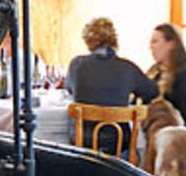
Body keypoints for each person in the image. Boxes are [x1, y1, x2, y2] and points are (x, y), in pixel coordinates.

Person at [65, 17, 157, 151]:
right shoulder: (128, 68)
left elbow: (69, 89)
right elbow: (153, 91)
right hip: (118, 142)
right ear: (114, 40)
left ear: (88, 41)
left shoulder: (77, 65)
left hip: (84, 141)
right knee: (136, 153)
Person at [146, 23, 186, 136]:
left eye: (155, 41)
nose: (151, 47)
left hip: (179, 139)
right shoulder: (155, 72)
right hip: (156, 133)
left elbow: (185, 116)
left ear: (171, 44)